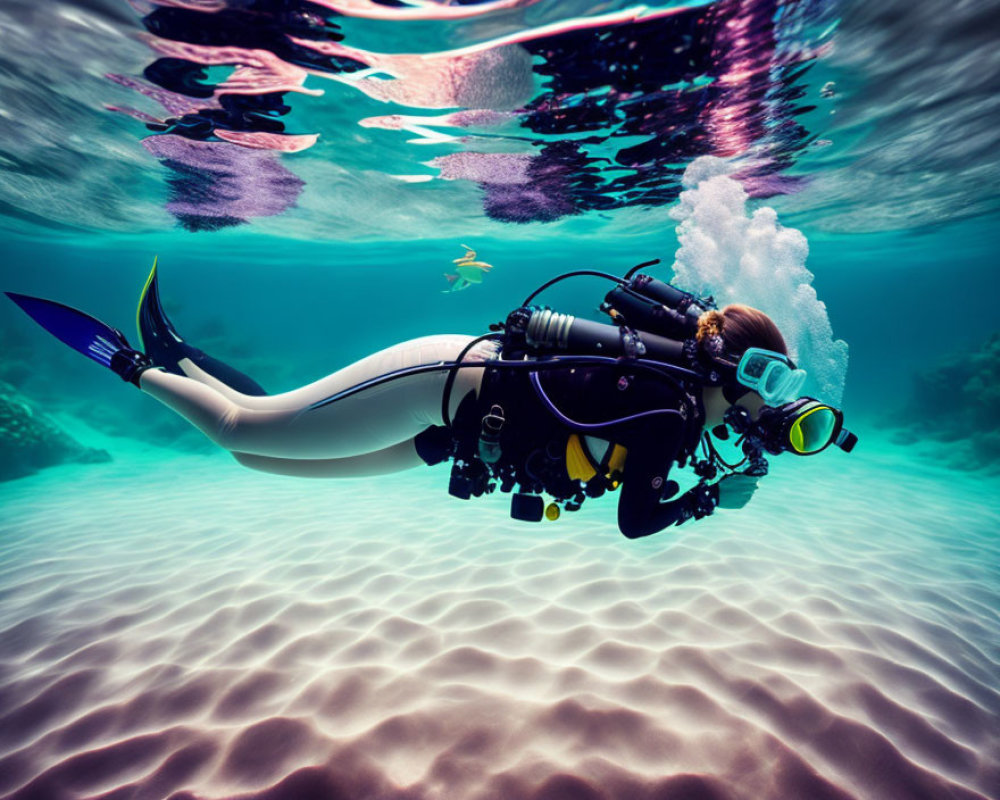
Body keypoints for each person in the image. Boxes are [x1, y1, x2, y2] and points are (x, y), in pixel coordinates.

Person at [5, 259, 855, 538]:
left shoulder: (676, 408)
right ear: (735, 374)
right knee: (238, 432)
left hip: (454, 436)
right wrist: (712, 498)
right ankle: (133, 363)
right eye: (772, 381)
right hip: (435, 383)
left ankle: (181, 354)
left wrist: (709, 480)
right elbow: (637, 520)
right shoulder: (671, 417)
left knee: (267, 457)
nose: (774, 408)